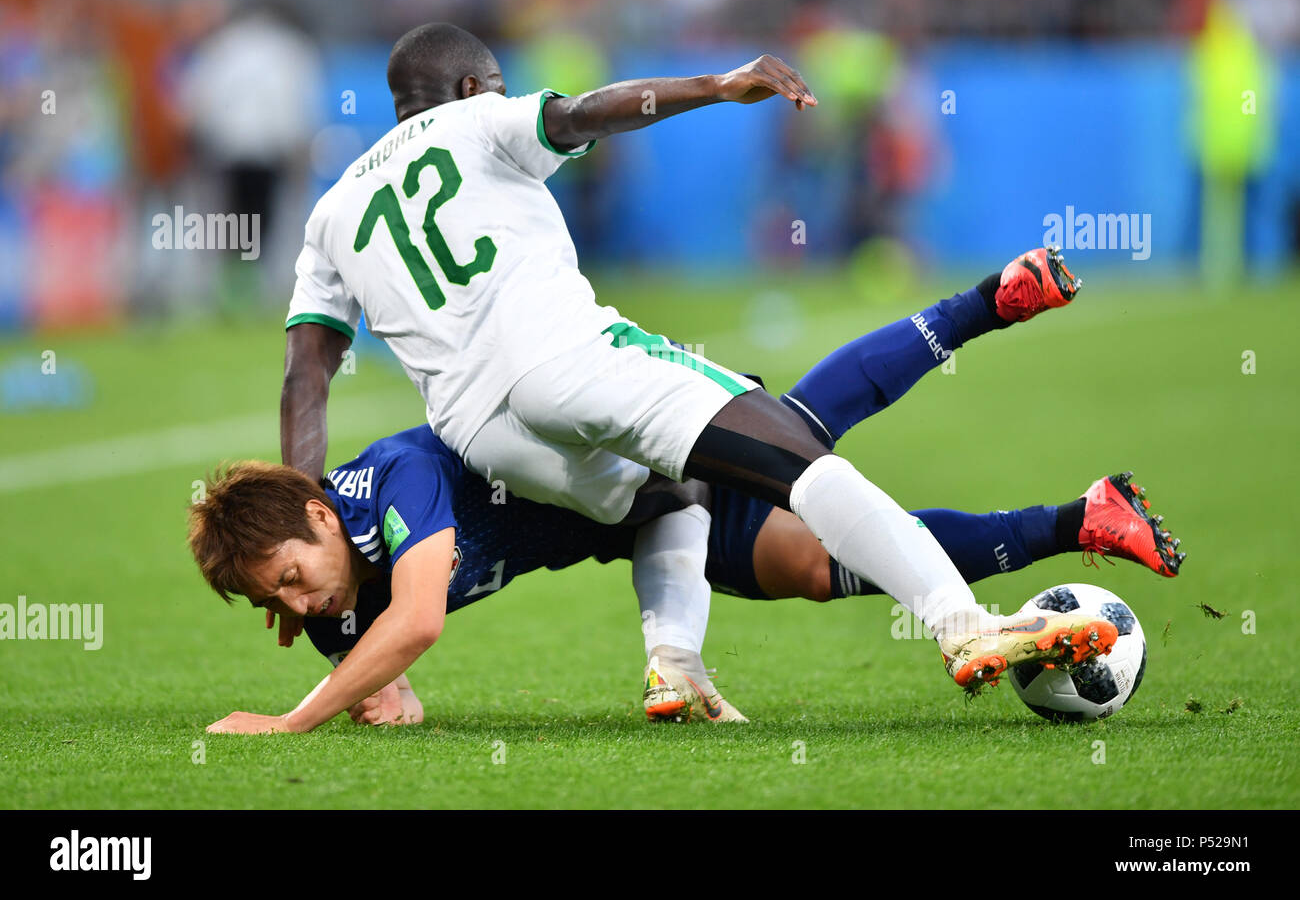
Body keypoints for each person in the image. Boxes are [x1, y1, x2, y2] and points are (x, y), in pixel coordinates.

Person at [196, 259, 1183, 732]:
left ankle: (979, 306)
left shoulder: (394, 483)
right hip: (642, 515)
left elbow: (414, 625)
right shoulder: (328, 596)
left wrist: (292, 722)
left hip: (622, 440)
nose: (295, 602)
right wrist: (347, 658)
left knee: (799, 444)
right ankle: (1081, 516)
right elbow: (388, 681)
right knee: (807, 559)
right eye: (269, 599)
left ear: (325, 514)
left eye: (289, 575)